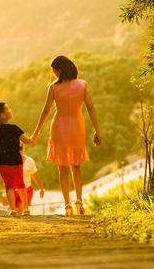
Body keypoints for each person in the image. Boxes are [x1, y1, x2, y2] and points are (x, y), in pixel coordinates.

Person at [32, 55, 102, 216]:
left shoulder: (53, 88)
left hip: (59, 127)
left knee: (62, 169)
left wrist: (36, 133)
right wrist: (97, 130)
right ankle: (79, 201)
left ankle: (68, 206)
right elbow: (91, 108)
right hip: (77, 126)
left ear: (60, 70)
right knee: (76, 167)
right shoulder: (82, 84)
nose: (54, 73)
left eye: (54, 70)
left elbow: (46, 111)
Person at [14, 144, 45, 214]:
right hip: (14, 190)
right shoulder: (10, 161)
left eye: (20, 148)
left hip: (26, 189)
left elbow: (35, 175)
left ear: (23, 149)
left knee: (22, 209)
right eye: (16, 149)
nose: (19, 151)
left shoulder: (29, 161)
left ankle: (25, 217)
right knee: (16, 212)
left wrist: (41, 188)